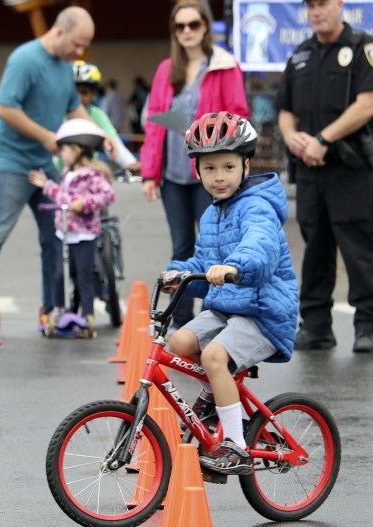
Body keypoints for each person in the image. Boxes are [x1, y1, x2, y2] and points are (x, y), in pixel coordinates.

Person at [0, 6, 101, 331]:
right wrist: (46, 137)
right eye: (78, 44)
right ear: (59, 32)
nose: (80, 52)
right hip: (11, 163)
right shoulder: (25, 59)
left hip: (43, 165)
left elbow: (74, 108)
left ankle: (50, 310)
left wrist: (104, 139)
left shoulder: (65, 67)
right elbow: (5, 108)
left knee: (55, 236)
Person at [161, 112, 297, 475]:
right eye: (209, 169)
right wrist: (182, 272)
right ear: (198, 172)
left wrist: (236, 266)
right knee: (181, 343)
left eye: (227, 166)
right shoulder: (211, 214)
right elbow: (204, 264)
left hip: (263, 311)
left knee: (215, 357)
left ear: (245, 165)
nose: (219, 177)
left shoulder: (257, 206)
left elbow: (260, 247)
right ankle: (215, 399)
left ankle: (235, 445)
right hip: (228, 307)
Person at [275, 0, 373, 354]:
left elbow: (368, 105)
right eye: (310, 5)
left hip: (351, 169)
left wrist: (324, 139)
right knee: (316, 250)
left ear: (339, 5)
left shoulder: (365, 48)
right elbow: (285, 110)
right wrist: (294, 138)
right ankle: (316, 328)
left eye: (323, 3)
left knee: (358, 250)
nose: (316, 11)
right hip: (311, 171)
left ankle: (368, 327)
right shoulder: (300, 56)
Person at [140, 0, 248, 329]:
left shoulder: (224, 65)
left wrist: (233, 164)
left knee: (213, 245)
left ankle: (213, 318)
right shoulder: (164, 69)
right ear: (174, 32)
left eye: (193, 25)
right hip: (173, 172)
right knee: (182, 246)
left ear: (205, 27)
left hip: (210, 172)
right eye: (180, 26)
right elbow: (156, 122)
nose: (187, 31)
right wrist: (149, 172)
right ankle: (181, 320)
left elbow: (237, 114)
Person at [28, 119, 115, 338]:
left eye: (63, 149)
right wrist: (47, 185)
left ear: (76, 150)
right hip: (64, 231)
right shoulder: (67, 173)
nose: (60, 154)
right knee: (60, 273)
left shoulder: (92, 175)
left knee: (82, 276)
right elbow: (63, 197)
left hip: (84, 234)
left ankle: (86, 315)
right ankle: (59, 310)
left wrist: (84, 203)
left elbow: (107, 195)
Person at [73, 61, 139, 173]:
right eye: (74, 92)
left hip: (86, 178)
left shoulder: (97, 115)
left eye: (84, 93)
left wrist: (131, 164)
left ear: (93, 94)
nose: (78, 98)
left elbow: (114, 143)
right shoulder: (57, 112)